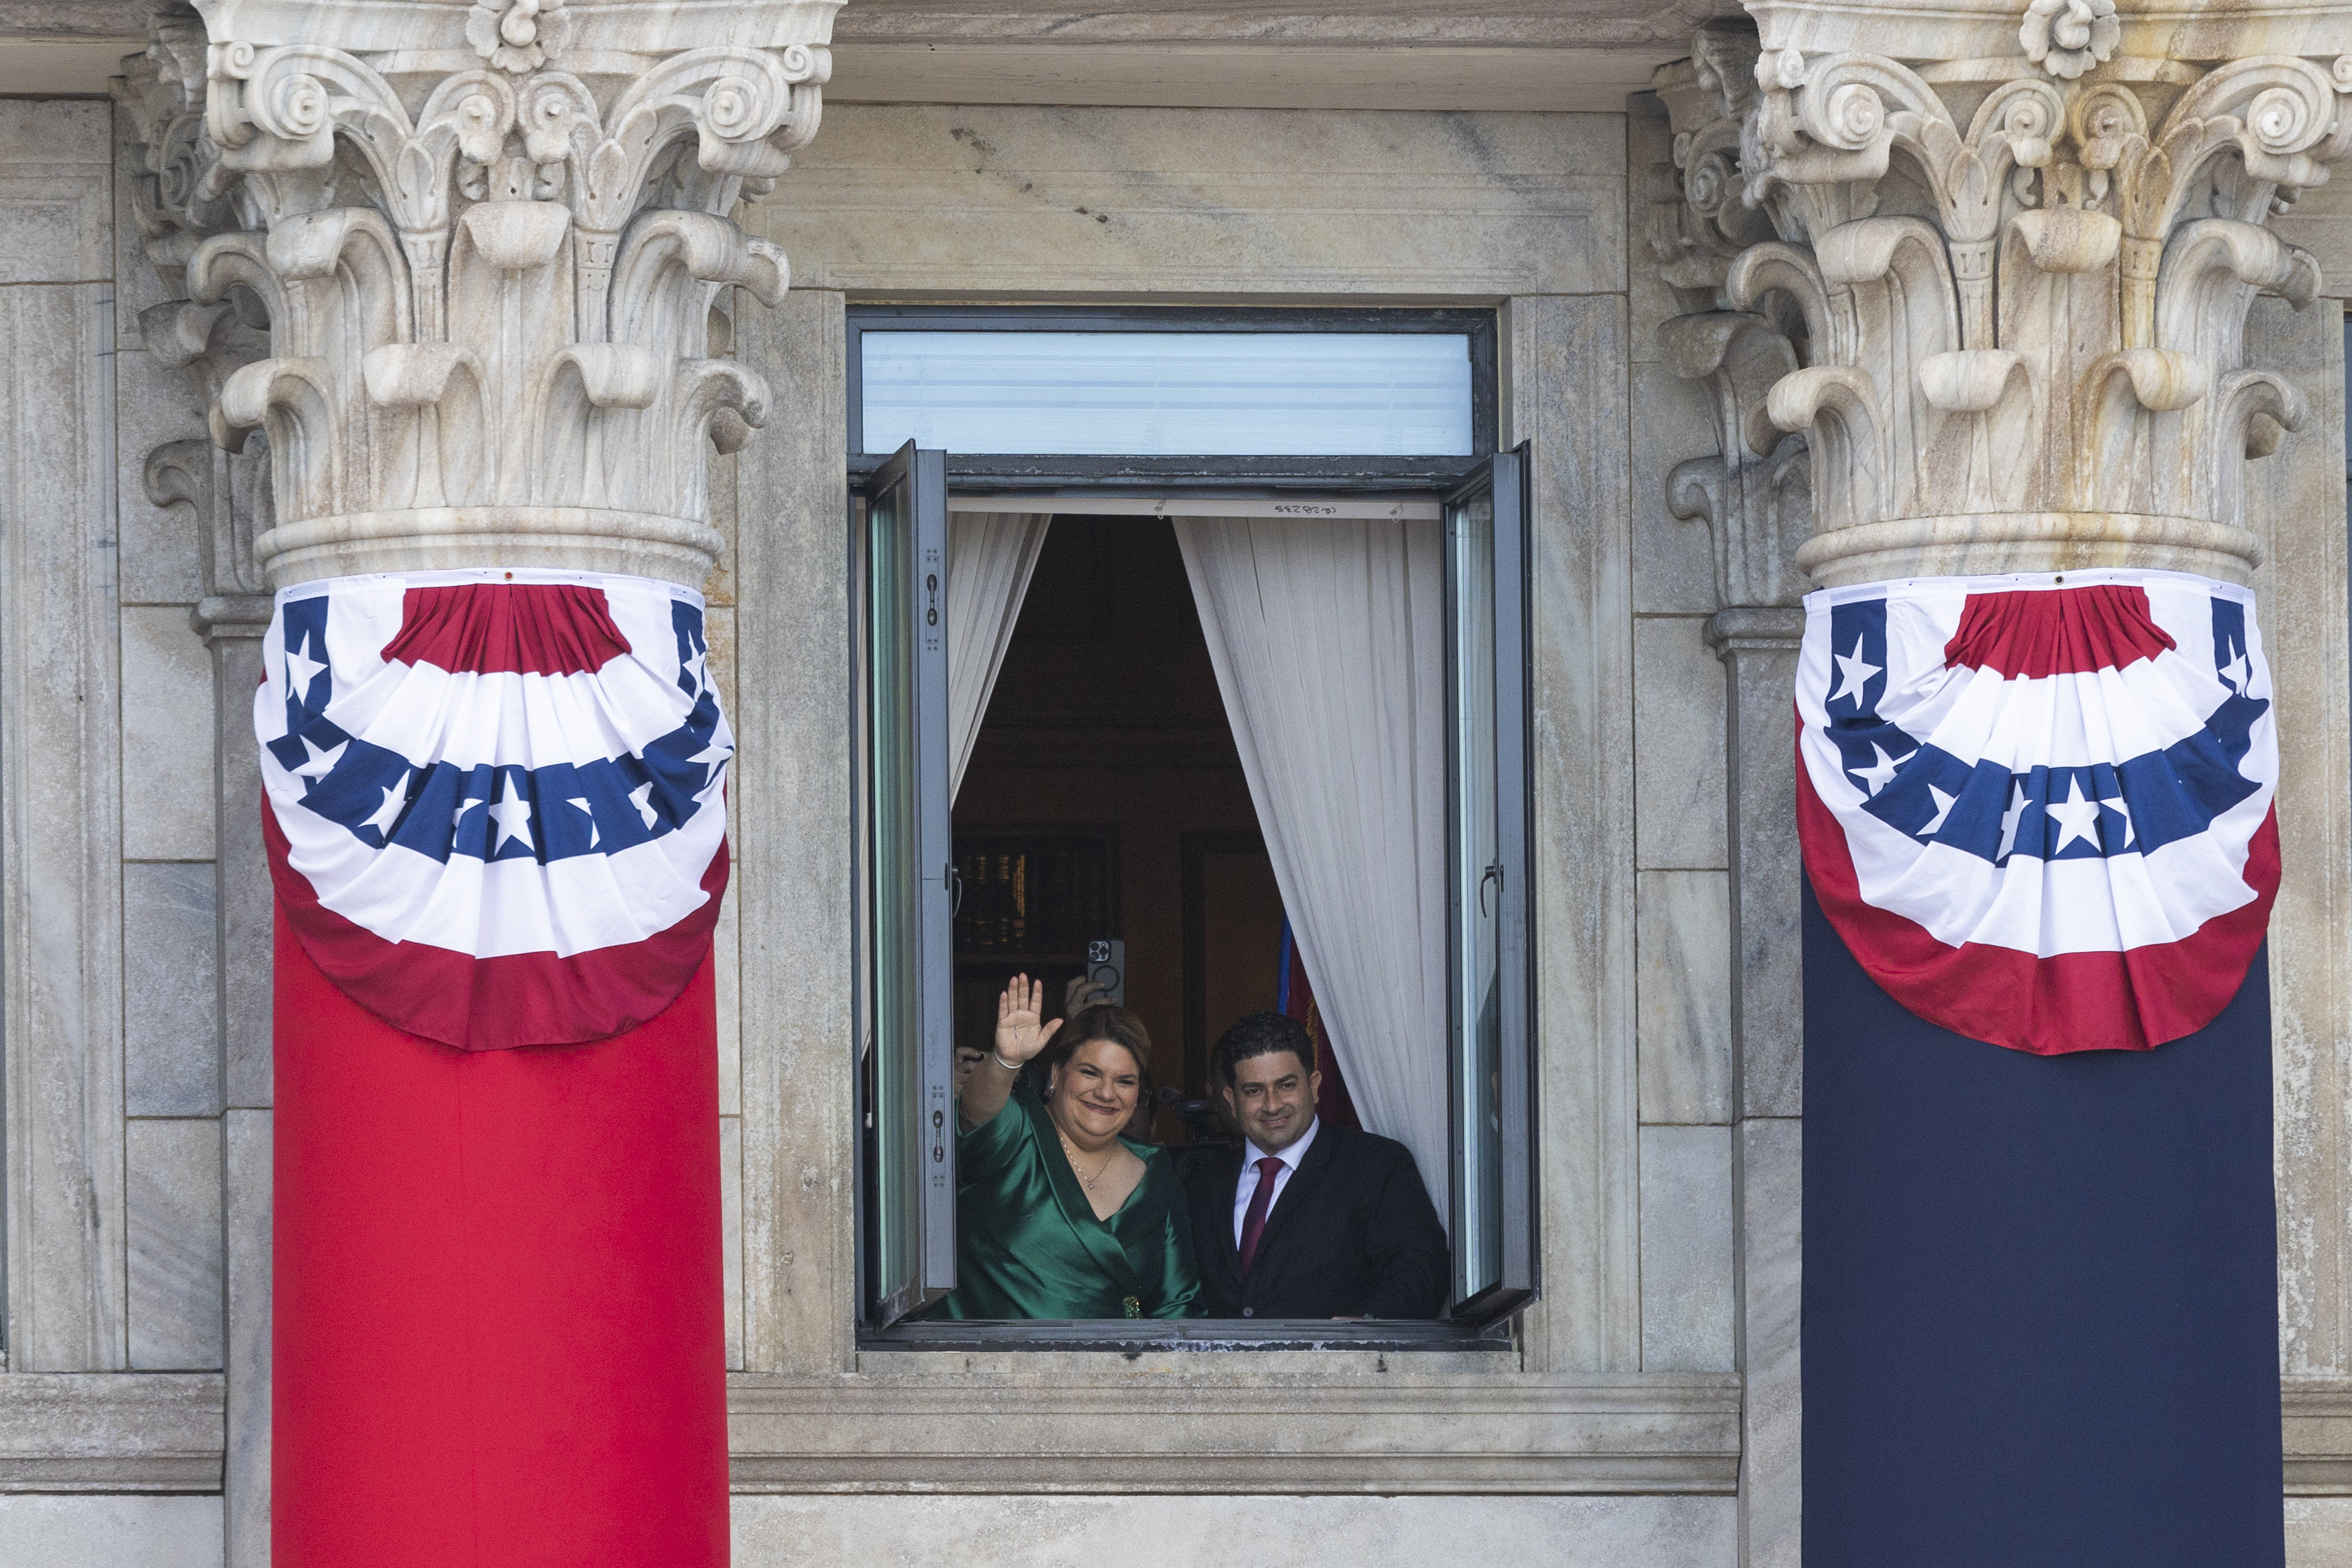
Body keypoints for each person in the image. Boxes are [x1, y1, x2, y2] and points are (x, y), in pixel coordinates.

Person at [933, 975, 1202, 1320]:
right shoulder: (1019, 1130)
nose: (1107, 1093)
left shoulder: (1155, 1170)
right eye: (1091, 1073)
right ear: (1057, 1074)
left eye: (1125, 1081)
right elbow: (977, 1113)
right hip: (994, 1367)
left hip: (1120, 1369)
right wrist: (1005, 1062)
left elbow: (1178, 1302)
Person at [1181, 1010, 1448, 1319]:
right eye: (1254, 1091)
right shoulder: (1202, 1185)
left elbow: (1421, 1266)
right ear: (1231, 1100)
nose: (1272, 1105)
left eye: (1286, 1086)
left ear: (1314, 1085)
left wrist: (1369, 1328)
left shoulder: (1375, 1165)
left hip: (1340, 1364)